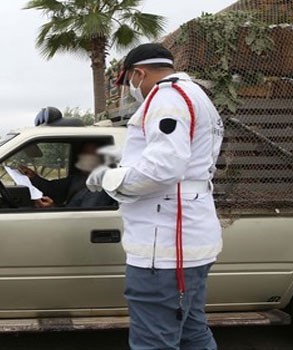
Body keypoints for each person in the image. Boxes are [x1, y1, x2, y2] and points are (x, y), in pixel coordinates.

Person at [86, 43, 224, 349]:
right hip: (190, 240)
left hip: (163, 249)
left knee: (154, 341)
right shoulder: (196, 96)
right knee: (192, 332)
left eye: (129, 83)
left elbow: (162, 167)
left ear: (138, 73)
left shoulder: (167, 98)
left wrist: (110, 179)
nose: (132, 90)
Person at [20, 142, 116, 208]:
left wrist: (53, 208)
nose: (81, 157)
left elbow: (85, 219)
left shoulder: (100, 188)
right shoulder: (79, 178)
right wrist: (33, 177)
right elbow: (53, 189)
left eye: (87, 155)